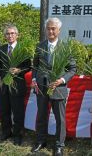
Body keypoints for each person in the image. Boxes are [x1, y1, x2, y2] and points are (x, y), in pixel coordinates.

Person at [31, 18, 76, 156]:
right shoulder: (40, 46)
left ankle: (59, 146)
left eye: (53, 29)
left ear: (59, 30)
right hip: (42, 87)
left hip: (58, 88)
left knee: (60, 119)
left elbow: (72, 69)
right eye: (48, 28)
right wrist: (34, 78)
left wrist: (61, 80)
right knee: (41, 115)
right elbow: (35, 65)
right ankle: (40, 141)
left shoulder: (66, 47)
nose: (50, 31)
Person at [0, 24, 31, 145]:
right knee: (4, 110)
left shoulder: (23, 48)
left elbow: (29, 66)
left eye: (12, 33)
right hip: (4, 85)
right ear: (5, 36)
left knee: (17, 112)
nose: (10, 35)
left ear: (17, 35)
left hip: (18, 85)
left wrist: (19, 71)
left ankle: (18, 135)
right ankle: (6, 132)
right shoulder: (1, 48)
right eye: (7, 33)